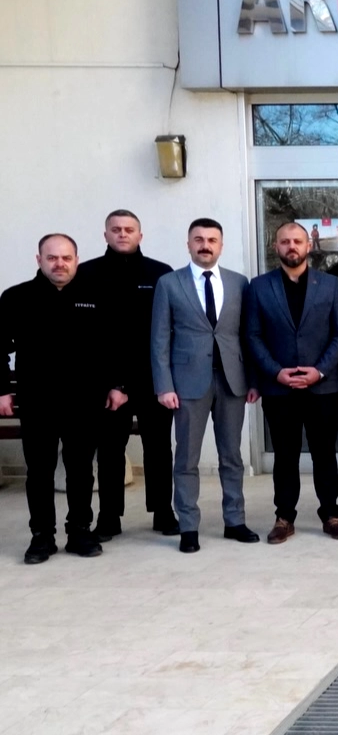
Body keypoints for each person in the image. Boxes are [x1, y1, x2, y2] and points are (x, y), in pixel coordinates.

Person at [1, 234, 127, 563]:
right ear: (39, 260)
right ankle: (41, 536)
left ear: (76, 260)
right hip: (37, 402)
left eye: (66, 258)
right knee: (39, 472)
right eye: (52, 258)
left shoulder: (98, 296)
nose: (60, 264)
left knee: (81, 470)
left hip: (84, 402)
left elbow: (115, 346)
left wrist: (118, 385)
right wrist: (2, 390)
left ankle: (79, 531)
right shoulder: (16, 298)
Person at [151, 218, 261, 553]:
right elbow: (159, 338)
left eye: (212, 240)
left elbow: (248, 335)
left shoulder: (239, 282)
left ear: (221, 246)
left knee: (232, 456)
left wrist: (253, 379)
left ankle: (235, 520)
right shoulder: (169, 283)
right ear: (188, 244)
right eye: (198, 239)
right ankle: (188, 527)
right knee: (186, 458)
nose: (205, 245)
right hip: (187, 383)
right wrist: (164, 385)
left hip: (232, 380)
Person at [245, 222, 338, 544]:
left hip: (322, 387)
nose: (291, 246)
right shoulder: (259, 287)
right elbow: (253, 335)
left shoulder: (330, 284)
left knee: (325, 454)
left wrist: (320, 371)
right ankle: (284, 518)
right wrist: (275, 371)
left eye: (297, 241)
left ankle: (331, 514)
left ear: (308, 246)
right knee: (285, 456)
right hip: (279, 388)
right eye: (285, 241)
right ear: (275, 246)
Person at [79, 209, 177, 539]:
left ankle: (163, 511)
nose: (123, 234)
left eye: (129, 229)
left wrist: (166, 380)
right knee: (109, 451)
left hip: (153, 381)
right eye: (116, 229)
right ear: (106, 234)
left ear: (140, 235)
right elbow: (87, 336)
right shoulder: (87, 274)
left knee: (159, 449)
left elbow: (169, 330)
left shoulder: (161, 274)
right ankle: (109, 517)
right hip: (108, 385)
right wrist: (112, 383)